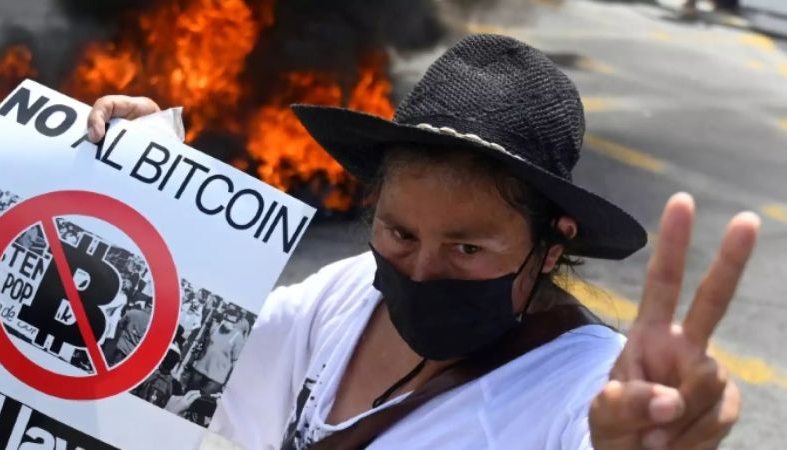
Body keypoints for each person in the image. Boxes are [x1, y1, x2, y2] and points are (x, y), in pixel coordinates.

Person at [87, 35, 755, 449]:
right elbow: (180, 356)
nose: (423, 269)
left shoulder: (586, 386)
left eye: (467, 249)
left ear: (551, 244)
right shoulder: (343, 294)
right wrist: (143, 191)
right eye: (400, 233)